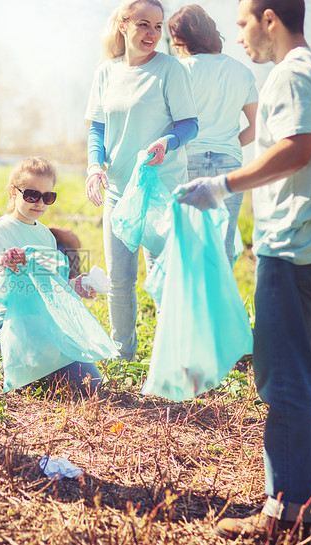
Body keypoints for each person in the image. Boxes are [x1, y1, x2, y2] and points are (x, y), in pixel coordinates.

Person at [178, 0, 311, 538]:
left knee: (285, 383)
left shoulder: (292, 74)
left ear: (269, 19)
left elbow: (298, 148)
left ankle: (280, 513)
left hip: (296, 249)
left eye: (242, 23)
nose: (238, 36)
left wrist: (222, 184)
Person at [84, 0, 198, 362]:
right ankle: (124, 354)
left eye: (158, 26)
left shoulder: (171, 71)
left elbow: (189, 124)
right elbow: (97, 129)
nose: (152, 33)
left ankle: (169, 356)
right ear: (123, 25)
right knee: (119, 280)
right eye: (144, 25)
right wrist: (94, 167)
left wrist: (167, 141)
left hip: (160, 191)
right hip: (119, 191)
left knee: (163, 280)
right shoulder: (106, 72)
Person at [0, 157, 102, 395]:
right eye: (31, 195)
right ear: (13, 192)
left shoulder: (46, 236)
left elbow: (51, 286)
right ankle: (18, 362)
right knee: (58, 369)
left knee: (90, 383)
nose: (39, 203)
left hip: (45, 323)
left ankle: (29, 364)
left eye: (47, 196)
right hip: (6, 324)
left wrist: (76, 286)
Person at [167, 4, 258, 266]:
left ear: (183, 39)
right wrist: (231, 144)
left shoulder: (181, 70)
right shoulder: (242, 72)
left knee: (187, 244)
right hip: (229, 166)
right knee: (223, 246)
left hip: (187, 160)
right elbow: (258, 126)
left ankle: (188, 305)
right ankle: (221, 305)